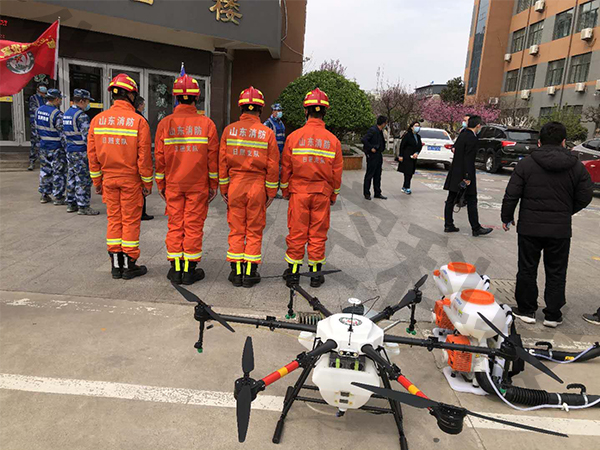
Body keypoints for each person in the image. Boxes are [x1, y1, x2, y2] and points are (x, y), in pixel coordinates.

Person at [501, 121, 593, 328]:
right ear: (564, 142)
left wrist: (507, 217)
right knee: (557, 271)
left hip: (530, 228)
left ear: (539, 142)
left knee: (527, 268)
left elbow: (512, 193)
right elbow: (586, 195)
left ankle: (526, 310)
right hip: (559, 229)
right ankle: (552, 314)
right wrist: (567, 210)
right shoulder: (576, 166)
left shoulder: (526, 164)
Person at [88, 73, 153, 280]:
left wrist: (97, 181)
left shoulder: (98, 120)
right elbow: (144, 157)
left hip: (109, 179)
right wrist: (147, 182)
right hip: (130, 180)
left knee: (114, 220)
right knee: (130, 221)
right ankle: (129, 264)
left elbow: (92, 156)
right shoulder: (138, 122)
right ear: (131, 96)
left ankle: (116, 265)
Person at [155, 75, 219, 285]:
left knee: (175, 225)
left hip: (173, 184)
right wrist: (213, 185)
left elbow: (159, 158)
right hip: (198, 185)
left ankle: (175, 270)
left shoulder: (165, 124)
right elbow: (212, 160)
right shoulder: (207, 124)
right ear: (196, 98)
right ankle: (189, 270)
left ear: (176, 97)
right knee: (193, 226)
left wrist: (161, 185)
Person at [280, 88, 343, 288]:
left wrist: (285, 190)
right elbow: (336, 173)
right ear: (324, 112)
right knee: (318, 234)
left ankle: (293, 274)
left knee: (297, 232)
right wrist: (333, 195)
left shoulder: (294, 137)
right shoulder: (333, 141)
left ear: (306, 111)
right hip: (322, 194)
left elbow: (286, 168)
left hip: (299, 193)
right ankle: (315, 275)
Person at [219, 86, 279, 288]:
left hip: (235, 185)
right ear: (260, 109)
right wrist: (271, 193)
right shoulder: (267, 133)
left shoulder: (229, 131)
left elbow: (222, 163)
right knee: (254, 230)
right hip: (257, 187)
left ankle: (236, 273)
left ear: (241, 107)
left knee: (236, 229)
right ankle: (250, 273)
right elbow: (272, 166)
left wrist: (224, 189)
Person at [443, 115, 492, 237]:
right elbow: (468, 159)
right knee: (472, 200)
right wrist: (468, 176)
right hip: (465, 173)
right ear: (478, 125)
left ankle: (448, 224)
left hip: (455, 171)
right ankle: (476, 228)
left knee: (451, 199)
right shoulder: (472, 138)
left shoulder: (462, 135)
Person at [63, 89, 99, 216]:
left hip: (70, 151)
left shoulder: (67, 113)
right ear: (82, 101)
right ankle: (83, 206)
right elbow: (87, 137)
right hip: (81, 152)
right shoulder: (81, 116)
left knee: (71, 177)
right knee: (83, 179)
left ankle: (71, 203)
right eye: (87, 101)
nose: (88, 104)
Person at [36, 88, 67, 205]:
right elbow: (62, 133)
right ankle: (58, 197)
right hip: (56, 147)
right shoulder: (57, 114)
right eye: (60, 99)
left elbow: (36, 129)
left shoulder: (38, 110)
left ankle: (44, 195)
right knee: (58, 172)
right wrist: (66, 148)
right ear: (57, 99)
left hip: (44, 145)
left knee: (45, 170)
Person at [134, 96, 154, 221]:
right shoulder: (140, 120)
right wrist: (148, 181)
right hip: (137, 162)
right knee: (140, 189)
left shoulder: (130, 118)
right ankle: (141, 213)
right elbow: (143, 148)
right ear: (140, 105)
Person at [362, 115, 388, 200]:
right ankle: (366, 193)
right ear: (383, 123)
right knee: (370, 174)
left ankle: (377, 192)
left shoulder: (380, 131)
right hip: (372, 155)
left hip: (378, 154)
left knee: (378, 174)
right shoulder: (373, 130)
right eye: (385, 123)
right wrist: (371, 148)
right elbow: (364, 139)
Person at [264, 103, 286, 199]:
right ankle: (269, 191)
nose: (279, 112)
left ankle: (275, 190)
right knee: (272, 171)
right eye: (278, 111)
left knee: (279, 171)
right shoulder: (268, 123)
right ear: (273, 111)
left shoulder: (280, 123)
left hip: (280, 151)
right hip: (272, 152)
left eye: (280, 110)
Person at [397, 121, 422, 194]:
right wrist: (401, 155)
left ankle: (404, 186)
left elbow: (419, 146)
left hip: (414, 157)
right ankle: (407, 187)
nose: (417, 127)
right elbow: (402, 146)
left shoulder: (418, 137)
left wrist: (417, 153)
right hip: (407, 156)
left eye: (418, 126)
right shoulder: (407, 136)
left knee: (410, 172)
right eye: (416, 126)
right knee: (408, 172)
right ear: (411, 127)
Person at [28, 84, 47, 171]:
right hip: (35, 122)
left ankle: (43, 161)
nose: (43, 94)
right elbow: (34, 109)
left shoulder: (46, 99)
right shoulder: (33, 98)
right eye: (42, 92)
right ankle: (32, 161)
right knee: (35, 142)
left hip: (44, 122)